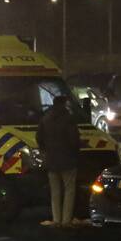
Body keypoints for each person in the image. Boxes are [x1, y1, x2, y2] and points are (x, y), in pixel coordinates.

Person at [36, 95, 81, 227]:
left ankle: (56, 219)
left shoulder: (45, 118)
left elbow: (39, 137)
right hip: (67, 159)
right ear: (64, 103)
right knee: (69, 190)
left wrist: (46, 150)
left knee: (55, 191)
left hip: (51, 159)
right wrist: (76, 151)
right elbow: (74, 140)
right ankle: (66, 220)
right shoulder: (68, 118)